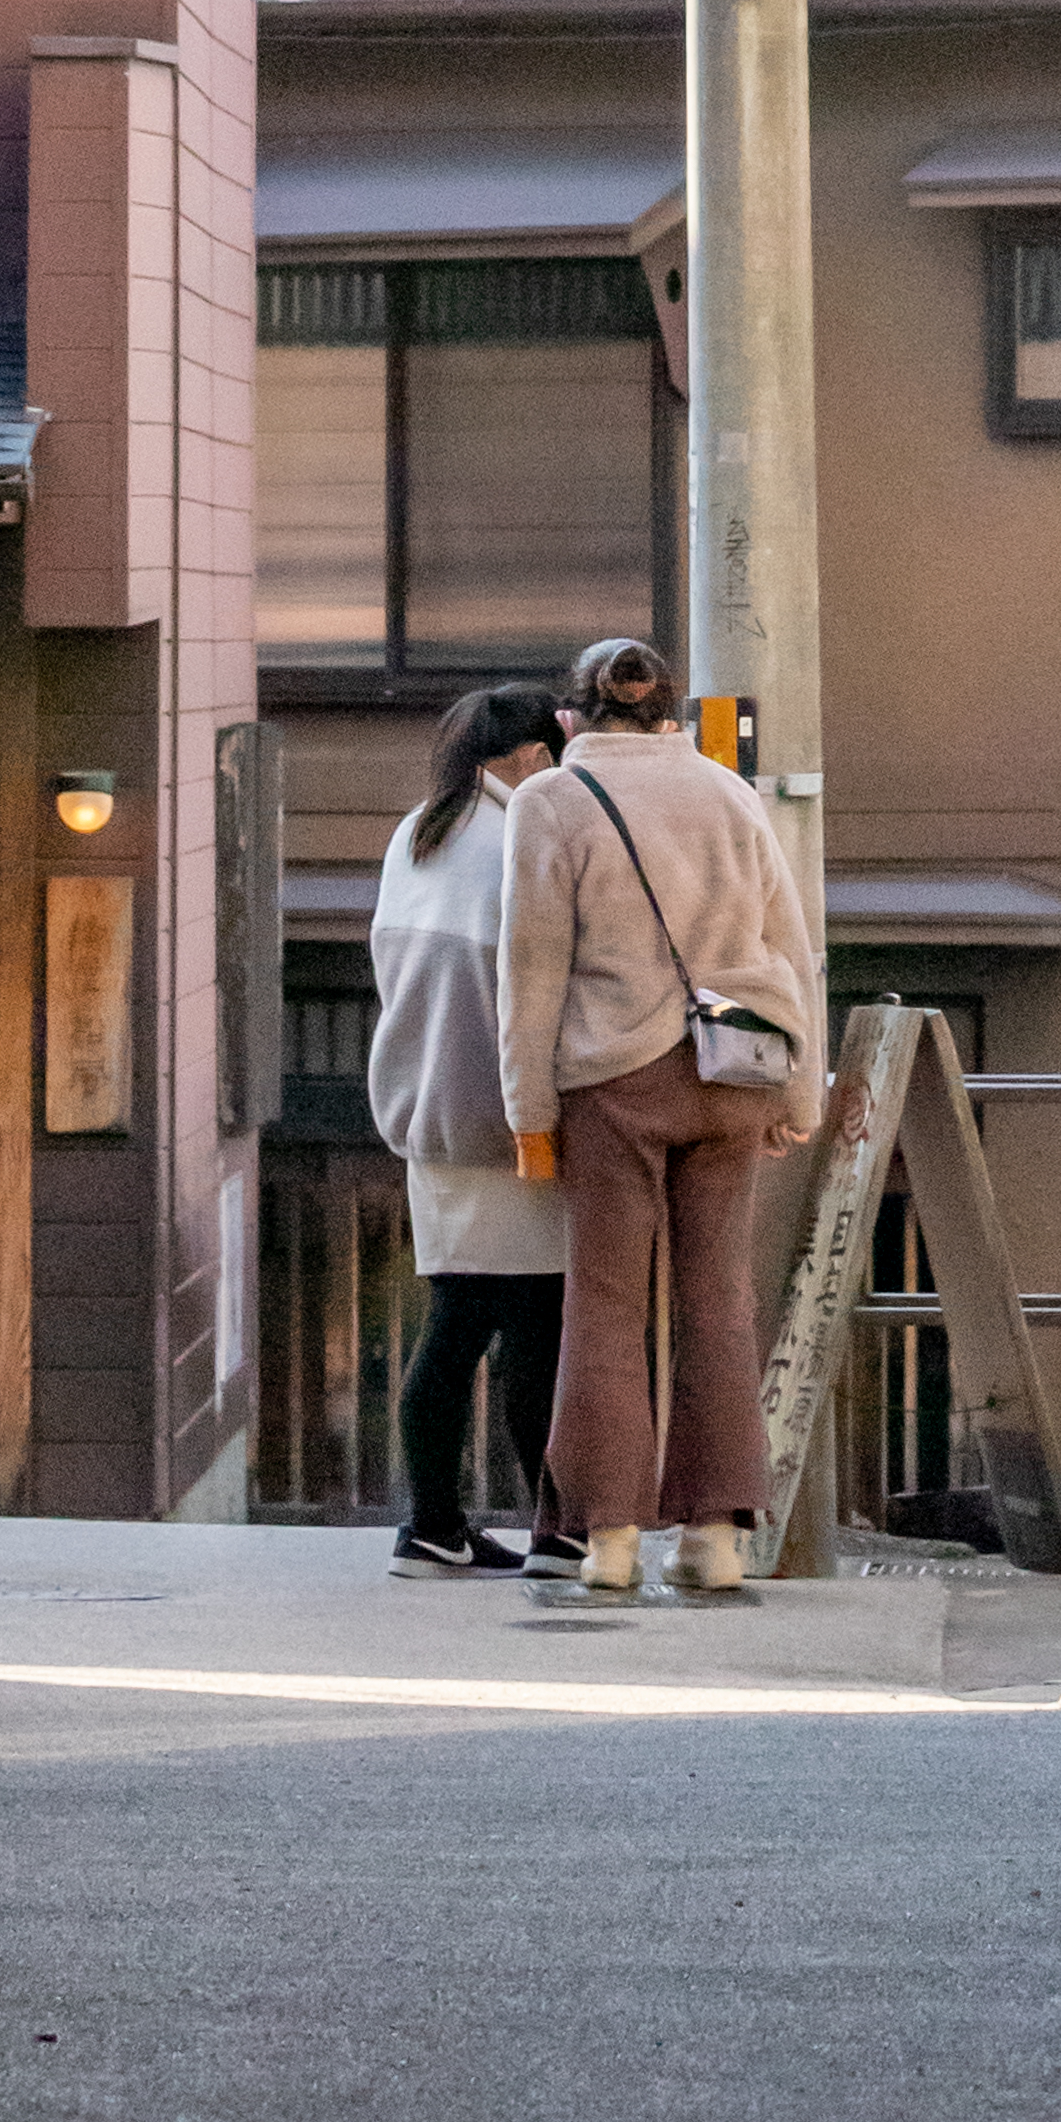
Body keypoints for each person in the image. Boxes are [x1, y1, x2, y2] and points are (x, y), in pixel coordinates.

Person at [499, 634, 826, 1615]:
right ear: (669, 711)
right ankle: (717, 1539)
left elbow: (530, 967)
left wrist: (530, 1112)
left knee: (605, 1306)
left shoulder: (550, 800)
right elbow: (789, 941)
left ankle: (607, 1542)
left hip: (616, 1074)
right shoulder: (728, 791)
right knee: (717, 1297)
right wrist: (802, 1091)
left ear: (573, 716)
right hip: (740, 1070)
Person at [367, 680, 573, 1574]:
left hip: (425, 1116)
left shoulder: (417, 835)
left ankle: (433, 1523)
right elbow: (536, 990)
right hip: (506, 1119)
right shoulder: (517, 838)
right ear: (528, 757)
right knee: (538, 1329)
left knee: (452, 1328)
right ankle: (556, 1531)